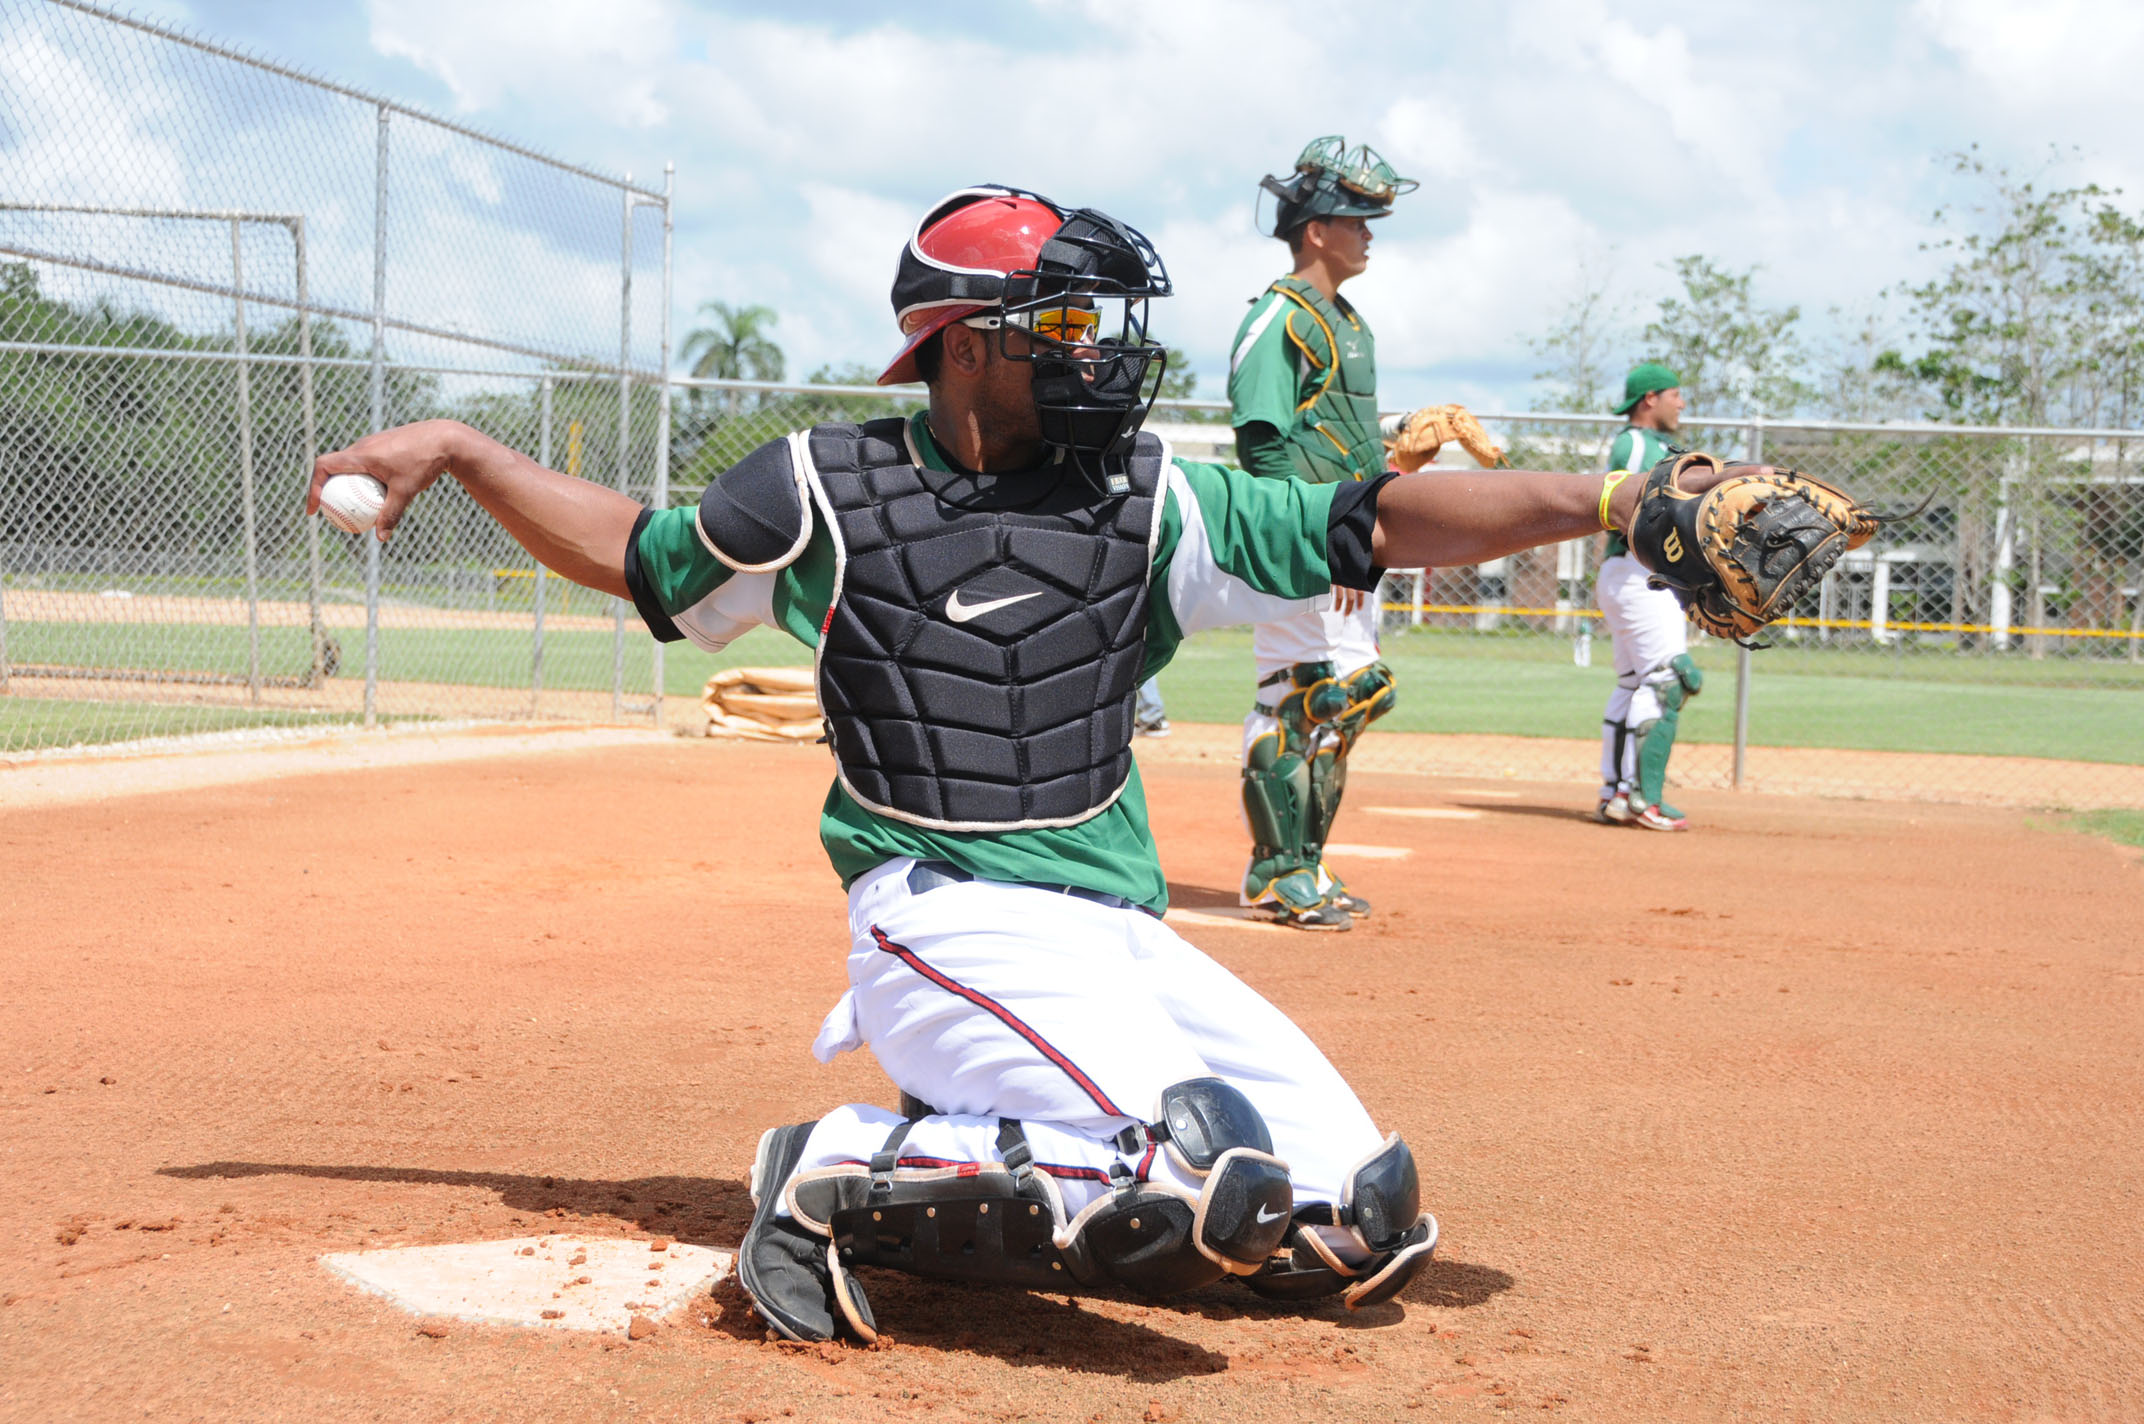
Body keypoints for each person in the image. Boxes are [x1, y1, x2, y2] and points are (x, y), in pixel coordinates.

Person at [310, 184, 1723, 1346]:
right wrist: (460, 446)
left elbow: (1377, 518)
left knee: (1358, 1209)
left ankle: (1003, 1134)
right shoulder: (824, 487)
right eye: (1065, 320)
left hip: (1114, 936)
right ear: (965, 340)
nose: (1102, 351)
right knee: (1186, 1171)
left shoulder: (1152, 496)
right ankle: (841, 1169)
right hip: (942, 916)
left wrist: (1615, 501)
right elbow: (640, 556)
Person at [1226, 136, 1413, 931]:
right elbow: (1263, 439)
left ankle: (1306, 862)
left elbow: (1337, 436)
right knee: (1301, 697)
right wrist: (1312, 535)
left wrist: (1403, 450)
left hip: (1348, 535)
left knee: (1356, 697)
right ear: (1315, 231)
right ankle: (1276, 870)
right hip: (1300, 534)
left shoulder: (1347, 320)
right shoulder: (1280, 316)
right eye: (1357, 218)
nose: (1370, 233)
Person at [1594, 362, 1703, 831]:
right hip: (1642, 573)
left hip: (1637, 575)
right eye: (1675, 394)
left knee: (1633, 682)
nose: (1681, 403)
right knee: (1666, 680)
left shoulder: (1662, 446)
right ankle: (1644, 799)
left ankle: (1617, 793)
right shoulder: (1635, 442)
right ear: (1649, 399)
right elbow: (1625, 506)